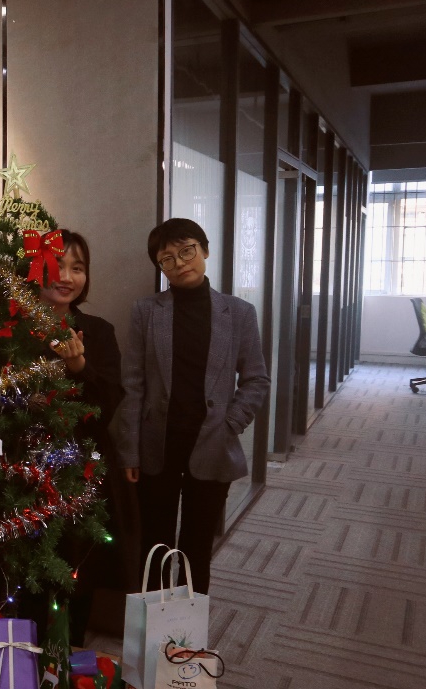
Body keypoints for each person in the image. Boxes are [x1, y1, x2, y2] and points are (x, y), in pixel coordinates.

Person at [115, 218, 270, 594]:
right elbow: (133, 385)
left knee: (197, 548)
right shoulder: (146, 311)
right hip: (158, 445)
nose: (180, 263)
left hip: (213, 443)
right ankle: (152, 622)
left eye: (187, 251)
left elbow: (256, 379)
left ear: (205, 250)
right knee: (155, 545)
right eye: (167, 258)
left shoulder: (239, 313)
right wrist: (130, 451)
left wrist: (230, 424)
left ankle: (188, 625)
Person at [36, 229, 134, 644]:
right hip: (24, 467)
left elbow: (107, 406)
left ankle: (69, 649)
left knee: (77, 565)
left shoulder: (97, 331)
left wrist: (80, 368)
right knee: (26, 564)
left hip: (82, 466)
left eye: (78, 268)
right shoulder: (11, 329)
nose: (67, 277)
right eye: (57, 265)